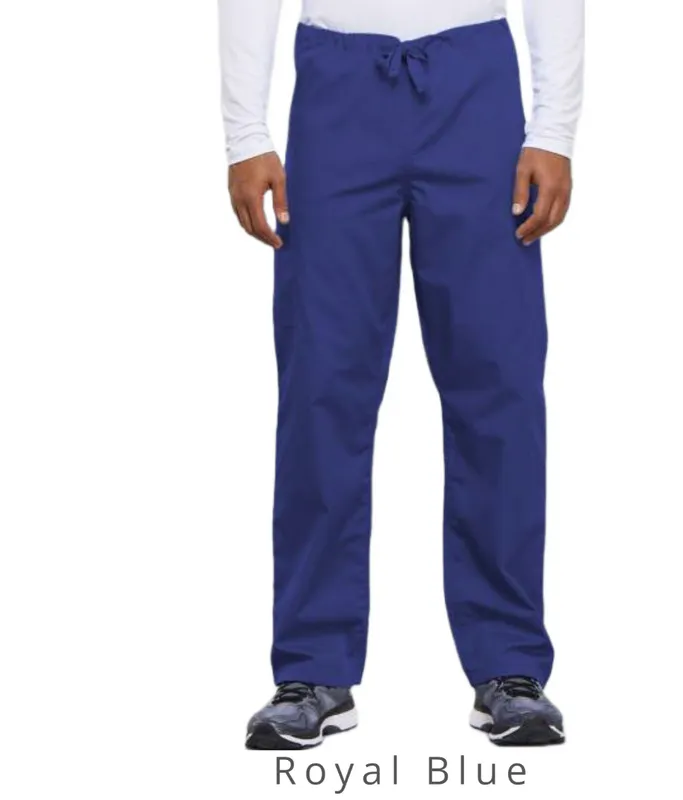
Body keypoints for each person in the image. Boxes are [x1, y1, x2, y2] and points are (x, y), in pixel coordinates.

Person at [218, 0, 583, 749]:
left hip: (476, 86)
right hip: (336, 89)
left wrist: (553, 129)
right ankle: (313, 668)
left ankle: (510, 665)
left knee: (499, 384)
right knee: (322, 386)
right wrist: (245, 133)